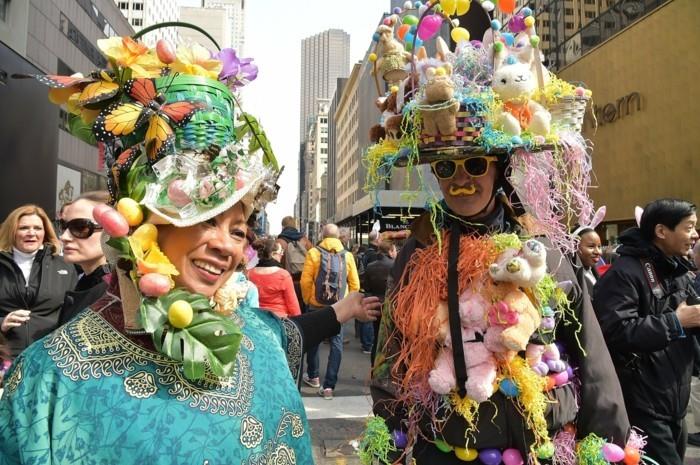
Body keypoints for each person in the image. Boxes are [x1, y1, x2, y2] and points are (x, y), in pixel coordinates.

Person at [0, 32, 380, 464]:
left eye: (238, 230)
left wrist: (344, 309)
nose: (225, 245)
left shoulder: (259, 336)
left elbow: (291, 332)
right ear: (140, 220)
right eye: (204, 218)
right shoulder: (48, 378)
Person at [361, 9, 632, 463]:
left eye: (474, 165)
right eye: (446, 167)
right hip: (446, 447)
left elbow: (588, 350)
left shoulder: (540, 251)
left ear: (500, 169)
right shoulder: (419, 252)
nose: (460, 180)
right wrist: (388, 439)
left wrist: (606, 441)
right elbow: (393, 354)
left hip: (536, 446)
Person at [593, 199, 700, 464]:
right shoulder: (625, 274)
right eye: (688, 228)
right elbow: (615, 331)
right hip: (644, 404)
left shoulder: (678, 270)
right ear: (662, 231)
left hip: (675, 399)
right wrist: (675, 322)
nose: (695, 235)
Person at [0, 204, 78, 360]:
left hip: (50, 357)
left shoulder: (65, 265)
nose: (31, 233)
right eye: (23, 228)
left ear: (45, 232)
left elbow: (74, 313)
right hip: (6, 358)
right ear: (12, 231)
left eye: (37, 228)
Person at [300, 223, 360, 399]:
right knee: (336, 344)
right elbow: (355, 284)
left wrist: (308, 300)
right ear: (338, 237)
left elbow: (305, 282)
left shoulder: (313, 253)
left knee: (313, 342)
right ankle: (329, 387)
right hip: (339, 307)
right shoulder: (348, 256)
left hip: (315, 305)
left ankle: (314, 376)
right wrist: (347, 303)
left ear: (322, 235)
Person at [57, 191, 112, 325]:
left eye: (80, 227)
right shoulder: (87, 283)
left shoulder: (113, 294)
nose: (64, 237)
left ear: (111, 230)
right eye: (64, 226)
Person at [361, 239, 396, 362]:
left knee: (376, 338)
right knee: (390, 339)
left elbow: (366, 288)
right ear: (390, 251)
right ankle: (386, 371)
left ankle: (373, 369)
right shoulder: (395, 265)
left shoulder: (370, 266)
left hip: (375, 305)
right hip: (392, 306)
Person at [248, 237, 301, 318]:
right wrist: (298, 321)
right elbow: (293, 304)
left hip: (257, 318)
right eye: (280, 252)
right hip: (279, 319)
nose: (282, 254)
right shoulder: (283, 275)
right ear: (272, 254)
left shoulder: (250, 273)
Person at [275, 216, 312, 311]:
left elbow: (275, 264)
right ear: (295, 226)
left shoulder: (279, 242)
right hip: (303, 281)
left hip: (286, 281)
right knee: (302, 310)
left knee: (289, 310)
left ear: (283, 226)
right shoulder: (305, 241)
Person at [573, 227, 602, 293]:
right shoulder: (572, 278)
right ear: (575, 246)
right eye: (591, 246)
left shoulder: (592, 272)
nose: (598, 252)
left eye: (599, 246)